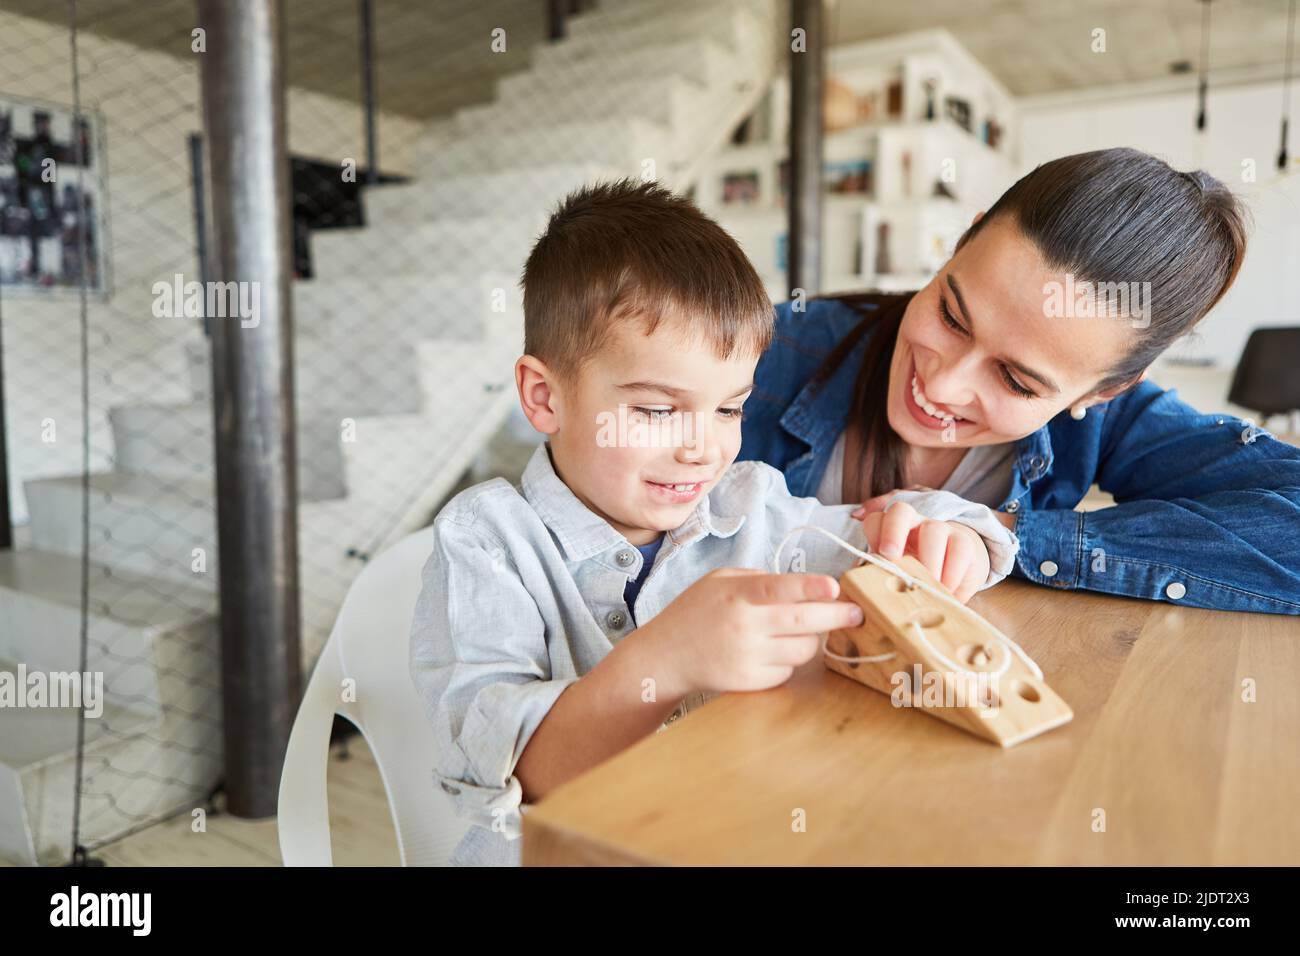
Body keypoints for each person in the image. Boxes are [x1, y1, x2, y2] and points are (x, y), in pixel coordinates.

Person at [409, 179, 1020, 865]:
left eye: (729, 409)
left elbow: (886, 533)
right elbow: (521, 776)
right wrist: (667, 658)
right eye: (658, 410)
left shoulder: (748, 504)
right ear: (544, 396)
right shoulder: (485, 543)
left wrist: (957, 534)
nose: (703, 448)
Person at [740, 147, 1300, 615]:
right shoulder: (766, 348)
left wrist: (1004, 534)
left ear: (1105, 391)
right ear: (966, 239)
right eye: (951, 316)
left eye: (1016, 380)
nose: (943, 386)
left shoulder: (1108, 421)